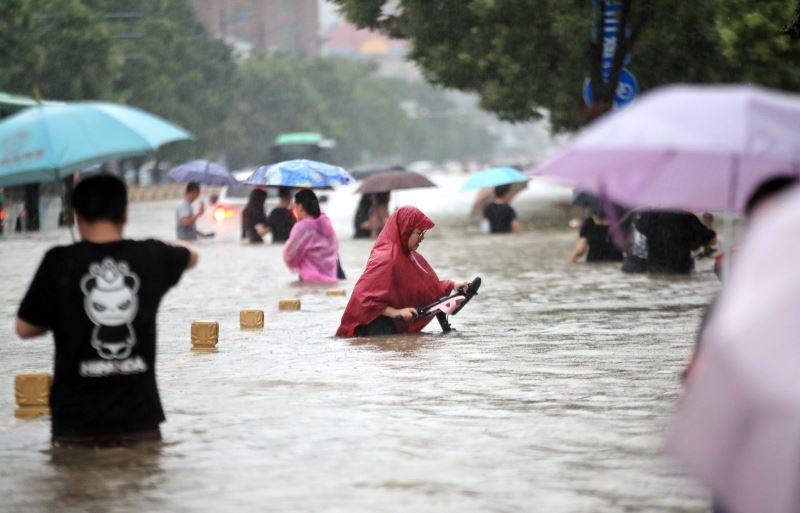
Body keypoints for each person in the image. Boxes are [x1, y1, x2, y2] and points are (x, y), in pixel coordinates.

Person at [15, 174, 198, 447]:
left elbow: (24, 328)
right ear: (125, 213)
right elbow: (192, 256)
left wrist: (64, 311)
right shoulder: (150, 256)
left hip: (75, 426)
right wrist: (158, 245)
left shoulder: (59, 261)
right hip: (139, 424)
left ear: (76, 215)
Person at [336, 206, 468, 337]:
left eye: (423, 233)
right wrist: (397, 312)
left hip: (391, 327)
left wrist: (453, 284)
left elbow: (426, 287)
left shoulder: (410, 256)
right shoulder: (386, 257)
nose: (422, 238)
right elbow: (364, 299)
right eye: (419, 233)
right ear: (406, 230)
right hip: (371, 328)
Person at [283, 189, 339, 282]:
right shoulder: (327, 223)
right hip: (331, 279)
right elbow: (335, 248)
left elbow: (289, 255)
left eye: (295, 207)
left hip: (309, 280)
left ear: (300, 206)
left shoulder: (302, 227)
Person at [635, 210, 716, 274]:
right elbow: (708, 237)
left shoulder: (650, 216)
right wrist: (708, 224)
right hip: (680, 269)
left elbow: (639, 226)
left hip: (655, 269)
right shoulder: (687, 217)